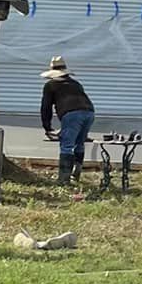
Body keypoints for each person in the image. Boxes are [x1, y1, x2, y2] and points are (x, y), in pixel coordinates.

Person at [40, 57, 94, 188]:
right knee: (79, 143)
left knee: (66, 146)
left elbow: (46, 107)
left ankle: (64, 180)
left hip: (71, 114)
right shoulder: (76, 84)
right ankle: (76, 174)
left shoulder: (51, 85)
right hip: (89, 112)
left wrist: (47, 128)